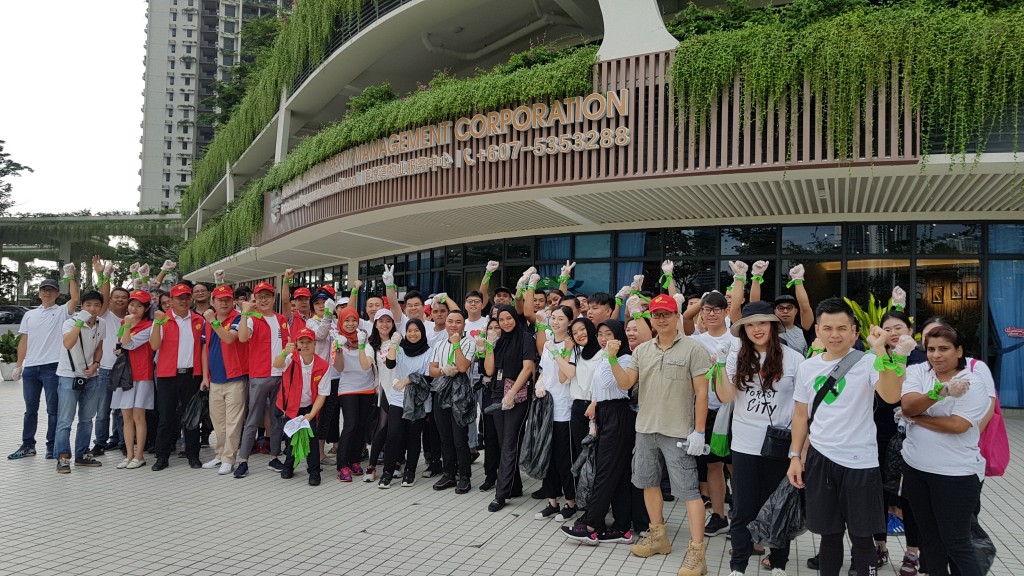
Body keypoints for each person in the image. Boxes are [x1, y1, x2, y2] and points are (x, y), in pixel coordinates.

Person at [787, 297, 907, 576]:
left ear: (855, 332)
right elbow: (800, 415)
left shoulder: (868, 362)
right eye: (827, 328)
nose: (835, 334)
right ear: (817, 330)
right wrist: (795, 456)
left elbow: (891, 395)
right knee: (828, 536)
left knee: (862, 537)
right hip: (820, 459)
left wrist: (880, 351)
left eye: (842, 328)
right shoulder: (808, 367)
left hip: (860, 462)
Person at [610, 293, 713, 576]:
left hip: (678, 431)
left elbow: (702, 392)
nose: (662, 318)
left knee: (689, 491)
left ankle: (697, 553)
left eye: (667, 313)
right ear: (651, 319)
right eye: (656, 314)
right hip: (645, 429)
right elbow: (626, 383)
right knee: (648, 482)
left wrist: (699, 432)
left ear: (677, 316)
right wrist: (612, 359)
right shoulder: (643, 351)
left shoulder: (694, 349)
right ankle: (658, 537)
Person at [715, 301, 804, 575]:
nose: (757, 329)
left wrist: (797, 453)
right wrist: (719, 364)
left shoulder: (794, 359)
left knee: (779, 506)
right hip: (744, 444)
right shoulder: (737, 355)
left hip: (781, 445)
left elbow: (802, 409)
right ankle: (738, 567)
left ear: (773, 325)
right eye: (750, 324)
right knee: (743, 508)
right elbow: (726, 397)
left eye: (762, 323)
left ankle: (778, 564)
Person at [900, 325, 989, 576]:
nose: (936, 355)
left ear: (959, 351)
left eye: (944, 349)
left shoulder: (973, 382)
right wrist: (941, 392)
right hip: (916, 469)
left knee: (957, 543)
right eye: (931, 349)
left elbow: (957, 425)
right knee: (930, 540)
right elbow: (908, 406)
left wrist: (919, 419)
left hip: (956, 475)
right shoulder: (918, 371)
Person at [561, 320, 636, 544]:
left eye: (609, 334)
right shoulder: (606, 356)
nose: (603, 338)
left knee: (604, 472)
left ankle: (591, 525)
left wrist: (610, 356)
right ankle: (622, 527)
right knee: (618, 474)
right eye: (601, 334)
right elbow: (598, 386)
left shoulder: (625, 358)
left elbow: (609, 381)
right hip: (605, 412)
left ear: (619, 336)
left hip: (618, 414)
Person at [9, 269, 80, 460]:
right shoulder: (30, 315)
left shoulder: (61, 312)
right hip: (31, 368)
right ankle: (28, 445)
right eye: (44, 290)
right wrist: (19, 364)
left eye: (51, 290)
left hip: (52, 367)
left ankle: (51, 446)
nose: (47, 293)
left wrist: (71, 276)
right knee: (30, 410)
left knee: (53, 410)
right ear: (39, 292)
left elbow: (75, 298)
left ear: (57, 293)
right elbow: (24, 341)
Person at [690, 290, 741, 538]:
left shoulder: (738, 340)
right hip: (708, 410)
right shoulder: (696, 342)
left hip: (734, 411)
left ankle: (741, 517)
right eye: (706, 310)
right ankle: (719, 516)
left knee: (736, 467)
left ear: (725, 311)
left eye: (716, 309)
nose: (711, 314)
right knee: (713, 466)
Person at [234, 282, 290, 478]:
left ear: (273, 298)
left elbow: (288, 344)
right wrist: (244, 314)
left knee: (276, 419)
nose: (264, 300)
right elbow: (242, 338)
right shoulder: (252, 318)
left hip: (280, 375)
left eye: (267, 296)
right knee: (253, 419)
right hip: (259, 374)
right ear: (254, 299)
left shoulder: (282, 319)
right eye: (260, 296)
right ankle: (243, 461)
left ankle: (274, 457)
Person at [482, 305, 534, 512]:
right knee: (504, 442)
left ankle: (500, 494)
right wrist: (489, 346)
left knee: (510, 442)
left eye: (509, 318)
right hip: (497, 393)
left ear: (515, 318)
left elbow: (528, 367)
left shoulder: (526, 338)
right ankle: (515, 486)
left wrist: (513, 392)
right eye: (501, 319)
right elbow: (489, 370)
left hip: (517, 394)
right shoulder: (499, 340)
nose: (505, 322)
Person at [149, 283, 205, 471]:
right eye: (179, 298)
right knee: (166, 417)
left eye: (187, 297)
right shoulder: (162, 320)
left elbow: (203, 348)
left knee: (192, 417)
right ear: (170, 301)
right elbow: (155, 345)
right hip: (168, 376)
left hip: (191, 375)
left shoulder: (198, 320)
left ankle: (193, 455)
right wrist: (157, 323)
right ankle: (162, 456)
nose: (183, 300)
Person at [533, 306, 578, 522]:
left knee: (563, 459)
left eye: (561, 318)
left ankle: (570, 503)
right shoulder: (549, 343)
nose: (556, 322)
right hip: (546, 409)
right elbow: (543, 371)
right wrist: (539, 385)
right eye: (554, 318)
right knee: (547, 457)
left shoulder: (572, 345)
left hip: (564, 411)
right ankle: (552, 501)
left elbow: (564, 377)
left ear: (570, 322)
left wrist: (561, 351)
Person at [53, 290, 106, 473]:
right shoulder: (70, 322)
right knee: (65, 420)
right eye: (88, 305)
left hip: (91, 377)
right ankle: (63, 458)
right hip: (69, 376)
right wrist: (80, 321)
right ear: (81, 306)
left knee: (86, 419)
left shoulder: (101, 323)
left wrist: (96, 364)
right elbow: (68, 343)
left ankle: (82, 454)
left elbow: (99, 347)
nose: (92, 309)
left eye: (96, 305)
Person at [199, 285, 248, 475]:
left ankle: (229, 458)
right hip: (215, 379)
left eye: (227, 299)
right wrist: (205, 376)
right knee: (217, 421)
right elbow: (205, 349)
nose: (224, 302)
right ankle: (219, 454)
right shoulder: (208, 321)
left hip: (235, 377)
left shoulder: (238, 317)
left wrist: (213, 322)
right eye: (220, 299)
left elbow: (229, 339)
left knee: (233, 422)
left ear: (233, 300)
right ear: (213, 302)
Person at [380, 318, 433, 488]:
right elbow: (390, 364)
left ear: (422, 332)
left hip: (417, 400)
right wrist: (393, 345)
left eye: (416, 330)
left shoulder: (428, 351)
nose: (413, 334)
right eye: (409, 331)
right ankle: (387, 473)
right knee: (393, 434)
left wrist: (408, 379)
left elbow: (428, 377)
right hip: (397, 397)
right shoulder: (400, 349)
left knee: (413, 436)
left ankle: (410, 472)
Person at [272, 327, 328, 486]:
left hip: (310, 407)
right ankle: (289, 466)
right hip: (290, 406)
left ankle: (314, 472)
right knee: (291, 438)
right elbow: (277, 364)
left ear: (314, 343)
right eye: (301, 342)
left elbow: (322, 394)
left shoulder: (323, 365)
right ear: (296, 344)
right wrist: (284, 352)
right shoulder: (291, 358)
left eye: (308, 342)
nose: (305, 345)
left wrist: (311, 415)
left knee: (311, 437)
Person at [429, 309, 477, 494]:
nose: (453, 325)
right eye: (450, 321)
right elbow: (431, 370)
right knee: (445, 437)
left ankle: (464, 476)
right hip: (441, 393)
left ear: (463, 325)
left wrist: (456, 345)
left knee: (459, 438)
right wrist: (442, 371)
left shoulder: (469, 343)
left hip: (460, 396)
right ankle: (449, 473)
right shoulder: (439, 345)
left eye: (458, 322)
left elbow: (463, 367)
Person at [332, 306, 376, 482]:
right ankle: (342, 464)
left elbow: (367, 365)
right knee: (350, 424)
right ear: (341, 322)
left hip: (367, 387)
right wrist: (339, 350)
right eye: (346, 321)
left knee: (361, 425)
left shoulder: (365, 338)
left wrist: (363, 344)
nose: (351, 324)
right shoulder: (338, 340)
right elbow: (340, 367)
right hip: (348, 387)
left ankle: (355, 460)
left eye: (354, 320)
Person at [114, 290, 156, 469]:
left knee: (139, 416)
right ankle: (129, 454)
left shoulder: (149, 326)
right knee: (126, 416)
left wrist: (128, 328)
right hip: (125, 375)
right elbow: (119, 344)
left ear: (146, 308)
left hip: (142, 374)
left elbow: (128, 344)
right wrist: (119, 346)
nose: (134, 308)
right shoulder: (125, 322)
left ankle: (139, 455)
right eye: (132, 304)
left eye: (139, 305)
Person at [92, 258, 127, 456]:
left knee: (121, 409)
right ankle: (100, 442)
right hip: (105, 368)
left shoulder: (133, 318)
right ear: (111, 300)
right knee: (103, 409)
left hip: (124, 370)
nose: (120, 300)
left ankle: (121, 441)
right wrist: (104, 276)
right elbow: (102, 296)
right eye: (117, 297)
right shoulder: (104, 315)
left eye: (124, 297)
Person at [363, 309, 397, 482]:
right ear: (375, 324)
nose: (385, 324)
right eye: (381, 321)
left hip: (401, 389)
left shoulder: (399, 340)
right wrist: (362, 348)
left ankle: (396, 462)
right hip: (385, 389)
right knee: (382, 427)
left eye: (388, 321)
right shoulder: (371, 345)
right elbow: (366, 364)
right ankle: (371, 465)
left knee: (397, 428)